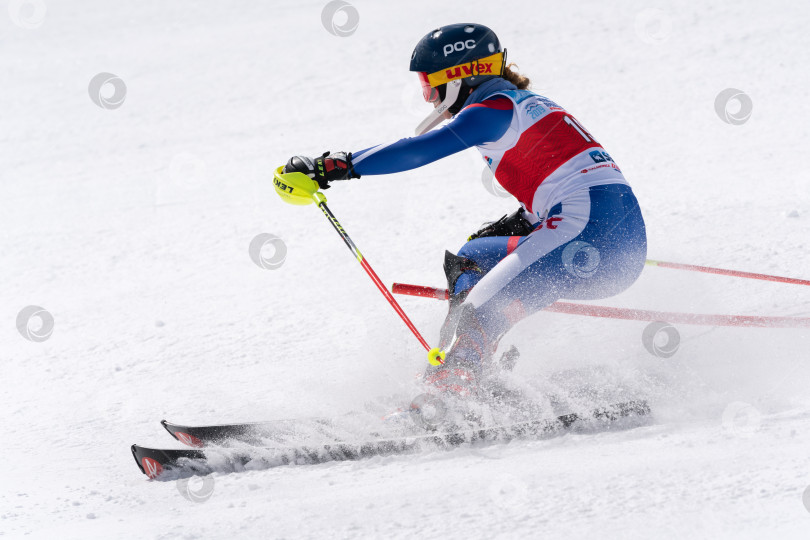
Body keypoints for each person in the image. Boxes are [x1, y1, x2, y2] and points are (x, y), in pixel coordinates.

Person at [283, 23, 647, 399]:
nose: (428, 98)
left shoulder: (491, 110)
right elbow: (569, 179)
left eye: (429, 85)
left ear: (458, 79)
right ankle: (471, 366)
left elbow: (416, 151)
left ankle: (452, 386)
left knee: (480, 307)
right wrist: (530, 221)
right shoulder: (524, 104)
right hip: (605, 241)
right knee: (472, 258)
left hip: (592, 242)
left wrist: (331, 166)